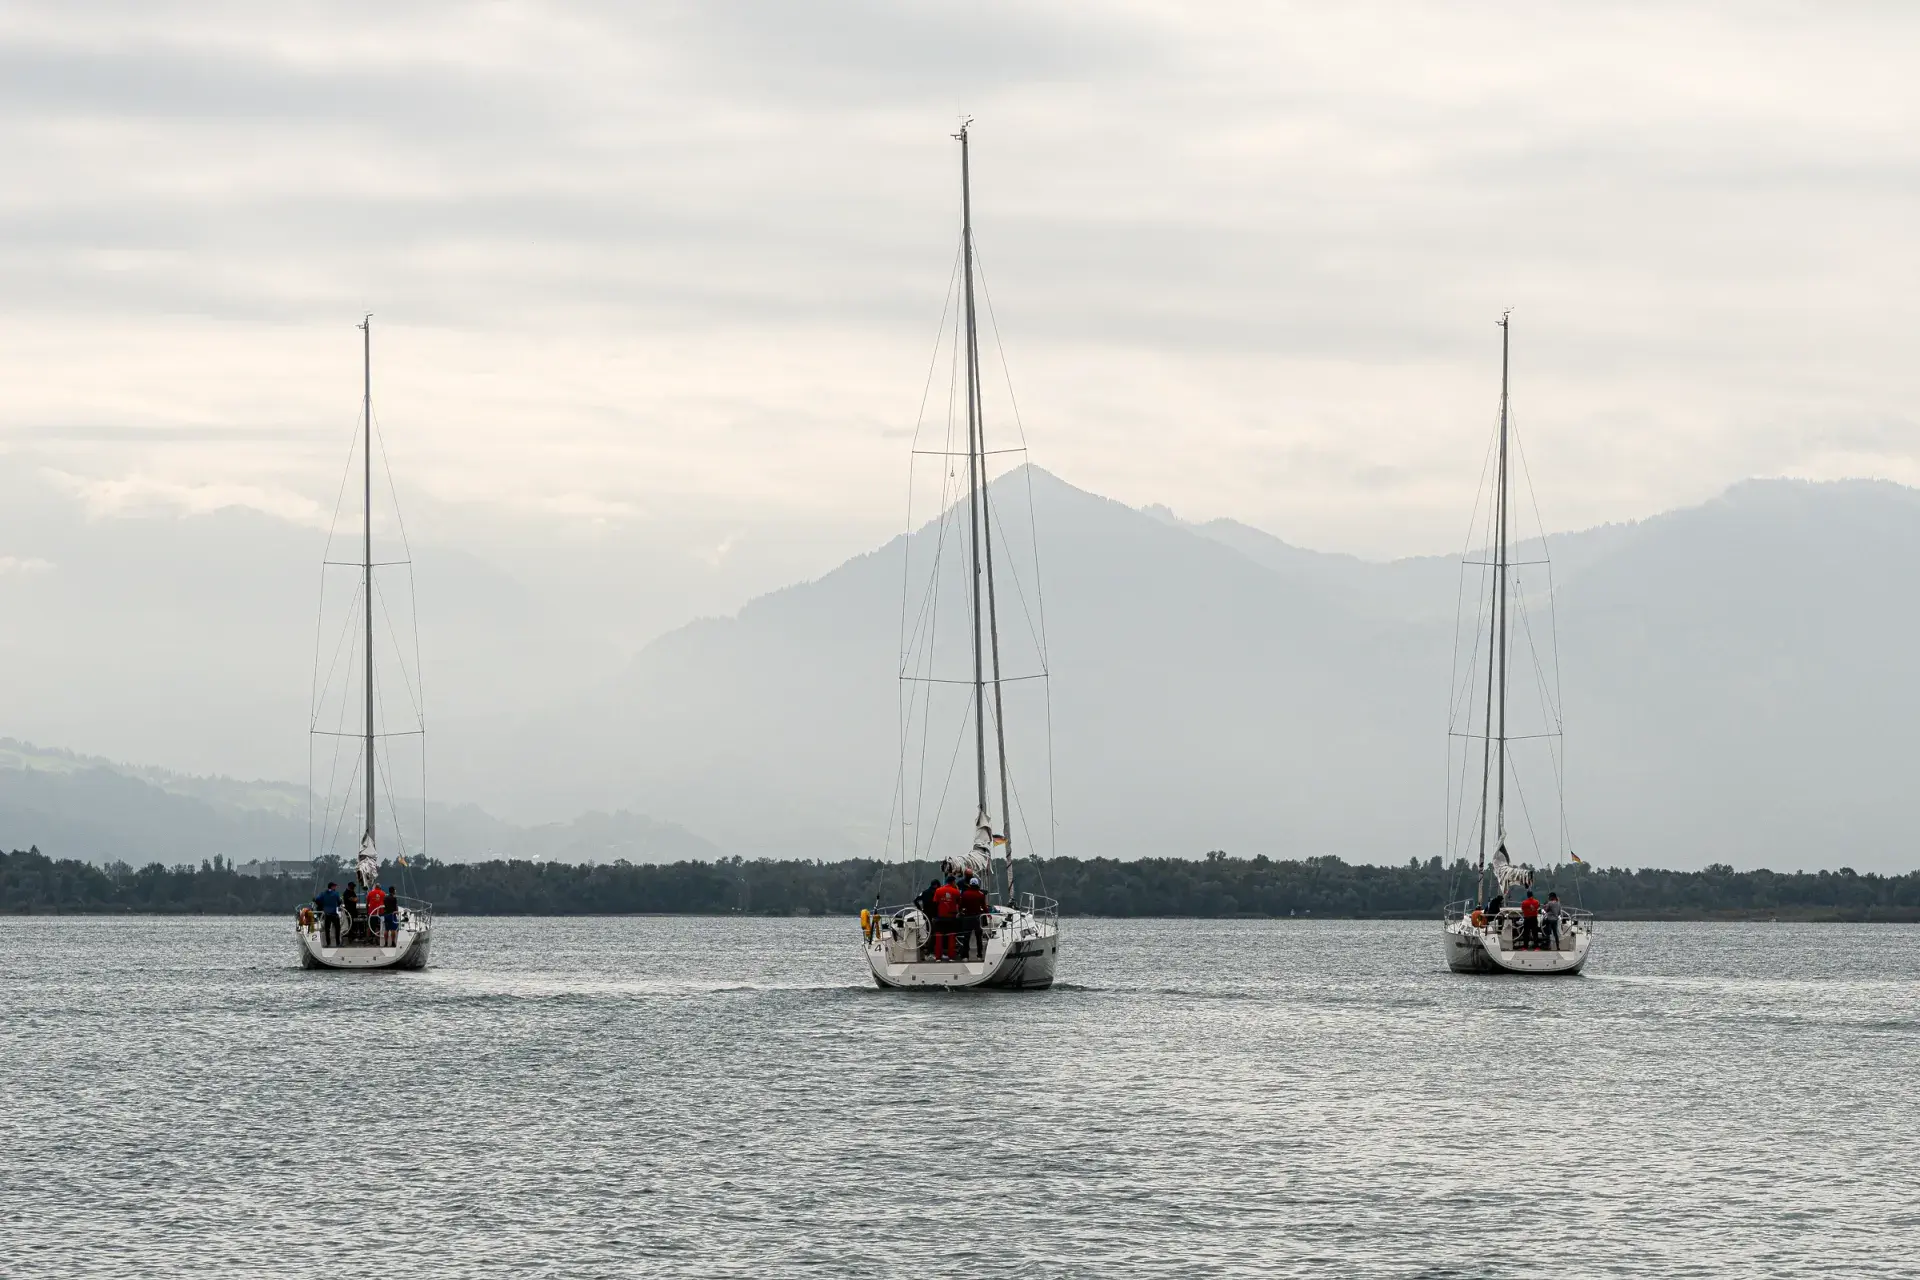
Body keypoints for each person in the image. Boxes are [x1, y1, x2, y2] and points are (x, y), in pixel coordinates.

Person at [931, 875, 962, 960]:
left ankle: (938, 957)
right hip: (951, 918)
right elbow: (959, 903)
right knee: (951, 937)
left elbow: (935, 903)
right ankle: (951, 957)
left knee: (938, 937)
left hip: (940, 918)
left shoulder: (938, 890)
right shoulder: (956, 891)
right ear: (953, 882)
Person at [959, 876, 989, 960]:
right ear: (977, 884)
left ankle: (965, 956)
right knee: (979, 938)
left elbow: (961, 906)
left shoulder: (965, 894)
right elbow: (984, 906)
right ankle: (979, 955)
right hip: (977, 918)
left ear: (970, 884)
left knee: (966, 938)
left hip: (967, 917)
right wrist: (988, 914)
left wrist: (960, 911)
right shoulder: (981, 894)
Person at [314, 882, 343, 947]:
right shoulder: (336, 894)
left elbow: (317, 900)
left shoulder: (323, 894)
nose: (335, 888)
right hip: (334, 914)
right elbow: (339, 902)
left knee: (327, 930)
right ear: (332, 887)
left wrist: (322, 905)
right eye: (334, 886)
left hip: (327, 914)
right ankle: (338, 943)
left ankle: (328, 943)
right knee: (337, 928)